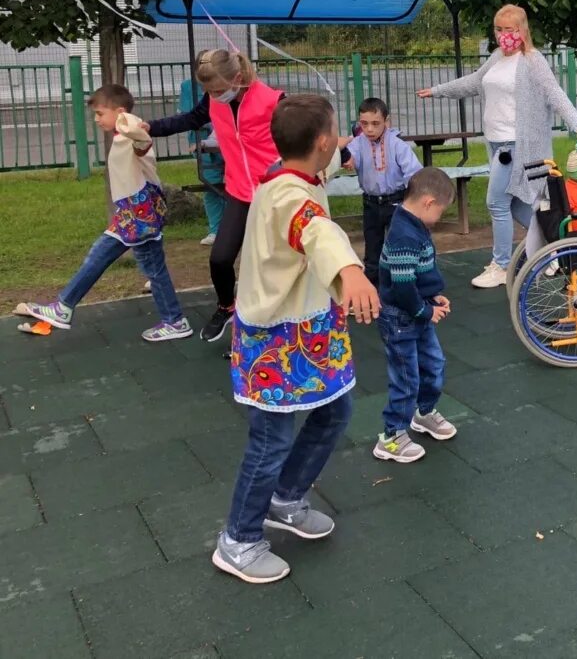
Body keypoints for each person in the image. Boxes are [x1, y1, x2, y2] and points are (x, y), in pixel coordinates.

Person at [213, 94, 379, 585]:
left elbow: (314, 188)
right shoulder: (289, 194)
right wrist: (351, 270)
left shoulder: (295, 172)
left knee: (335, 411)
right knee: (271, 437)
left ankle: (285, 498)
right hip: (276, 337)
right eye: (336, 133)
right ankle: (238, 540)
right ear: (323, 142)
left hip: (307, 327)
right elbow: (316, 230)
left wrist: (341, 143)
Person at [417, 4, 577, 289]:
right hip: (497, 142)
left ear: (522, 31)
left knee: (496, 202)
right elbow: (474, 82)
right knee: (520, 207)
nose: (502, 36)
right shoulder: (497, 57)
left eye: (508, 30)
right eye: (498, 29)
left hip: (517, 146)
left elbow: (555, 94)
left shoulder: (533, 61)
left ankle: (501, 265)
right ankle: (555, 251)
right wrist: (437, 91)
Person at [18, 86, 192, 342]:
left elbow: (143, 140)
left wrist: (127, 122)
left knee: (125, 262)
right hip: (134, 215)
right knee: (123, 261)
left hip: (138, 217)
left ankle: (174, 321)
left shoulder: (133, 134)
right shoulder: (123, 136)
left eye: (100, 113)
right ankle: (65, 307)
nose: (97, 119)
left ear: (119, 112)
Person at [146, 49, 284, 344]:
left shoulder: (272, 101)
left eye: (219, 89)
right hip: (240, 191)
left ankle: (273, 326)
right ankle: (226, 306)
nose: (215, 95)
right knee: (220, 259)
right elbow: (188, 119)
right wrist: (150, 128)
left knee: (269, 263)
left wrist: (342, 150)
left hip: (275, 193)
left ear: (237, 78)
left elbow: (306, 126)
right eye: (209, 91)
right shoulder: (212, 100)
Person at [374, 167, 457, 464]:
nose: (439, 219)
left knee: (433, 364)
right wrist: (425, 311)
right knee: (406, 377)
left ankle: (423, 413)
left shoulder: (415, 224)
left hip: (416, 310)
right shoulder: (404, 235)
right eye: (441, 212)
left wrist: (432, 294)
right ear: (428, 203)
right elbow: (402, 284)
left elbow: (417, 274)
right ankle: (391, 436)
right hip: (400, 318)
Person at [340, 97, 423, 286]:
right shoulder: (358, 143)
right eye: (364, 124)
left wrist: (413, 203)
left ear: (387, 121)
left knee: (400, 244)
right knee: (372, 248)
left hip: (396, 201)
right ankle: (372, 290)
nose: (369, 129)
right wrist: (344, 154)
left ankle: (405, 285)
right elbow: (350, 160)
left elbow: (414, 173)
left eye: (375, 123)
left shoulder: (397, 145)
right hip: (370, 203)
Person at [178, 55, 226, 247]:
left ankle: (238, 227)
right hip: (204, 139)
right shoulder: (189, 87)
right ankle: (216, 229)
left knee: (234, 186)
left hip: (226, 142)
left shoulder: (230, 87)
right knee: (212, 185)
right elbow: (189, 114)